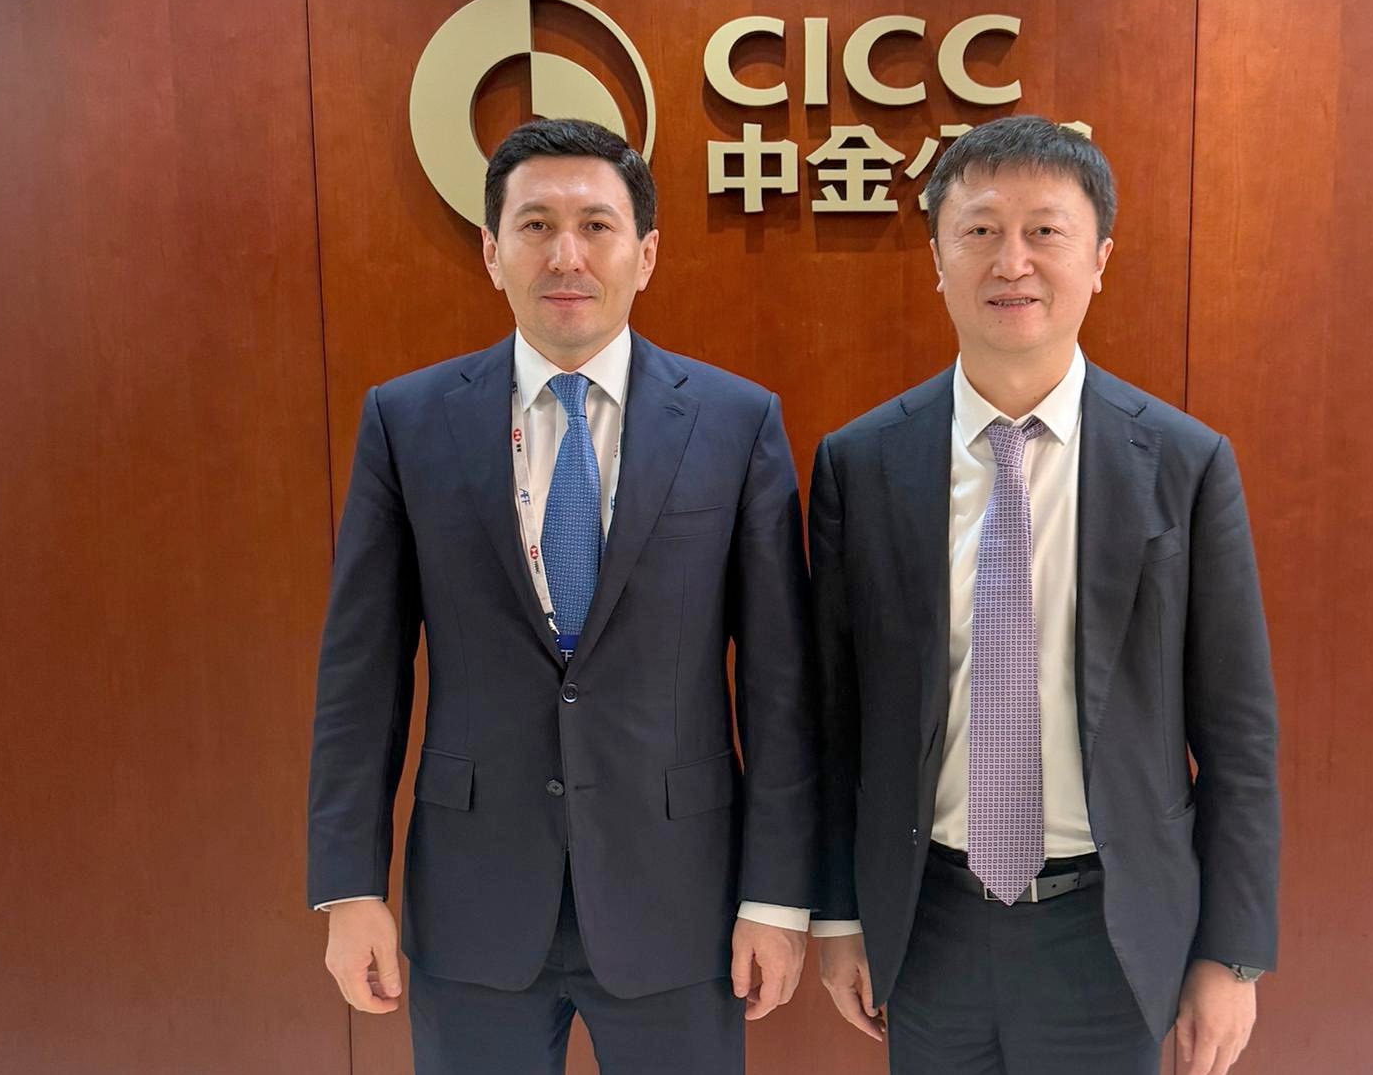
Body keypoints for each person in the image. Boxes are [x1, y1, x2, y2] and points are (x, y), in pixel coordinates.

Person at [306, 119, 817, 1074]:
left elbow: (780, 687)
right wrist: (349, 887)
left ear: (646, 254)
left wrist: (777, 896)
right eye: (536, 225)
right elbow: (360, 675)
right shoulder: (407, 421)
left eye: (596, 225)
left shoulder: (735, 422)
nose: (566, 255)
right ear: (492, 251)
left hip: (683, 902)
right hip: (475, 900)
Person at [808, 115, 1280, 1075]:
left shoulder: (1185, 464)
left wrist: (1231, 956)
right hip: (928, 926)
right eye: (980, 230)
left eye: (1045, 232)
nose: (1011, 262)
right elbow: (834, 722)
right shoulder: (862, 464)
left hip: (1109, 933)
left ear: (1100, 258)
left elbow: (1238, 736)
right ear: (937, 259)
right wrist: (838, 914)